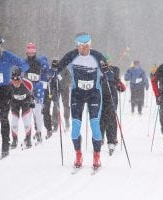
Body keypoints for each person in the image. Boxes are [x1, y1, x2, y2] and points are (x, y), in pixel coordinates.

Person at [52, 32, 109, 169]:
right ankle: (78, 154)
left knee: (95, 126)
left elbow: (107, 72)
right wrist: (54, 67)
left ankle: (96, 156)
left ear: (90, 44)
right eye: (81, 46)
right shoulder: (72, 55)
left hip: (94, 93)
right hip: (77, 93)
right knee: (75, 130)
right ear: (77, 46)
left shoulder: (97, 56)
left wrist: (107, 71)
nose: (84, 49)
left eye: (86, 46)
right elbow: (56, 69)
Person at [24, 42, 50, 142]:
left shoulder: (40, 61)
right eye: (29, 52)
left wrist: (49, 73)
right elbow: (19, 69)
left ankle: (39, 132)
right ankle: (28, 135)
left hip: (38, 89)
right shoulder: (24, 62)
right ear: (26, 52)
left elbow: (48, 70)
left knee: (38, 113)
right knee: (28, 113)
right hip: (27, 89)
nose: (31, 54)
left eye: (32, 52)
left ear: (35, 52)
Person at [100, 56, 126, 155]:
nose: (108, 63)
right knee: (101, 119)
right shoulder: (99, 71)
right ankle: (100, 137)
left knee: (111, 119)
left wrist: (118, 84)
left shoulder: (114, 71)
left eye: (109, 61)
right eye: (106, 62)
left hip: (112, 99)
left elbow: (122, 88)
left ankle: (112, 139)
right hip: (101, 98)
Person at [9, 68, 35, 149]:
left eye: (17, 81)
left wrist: (31, 102)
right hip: (15, 103)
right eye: (13, 81)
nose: (15, 83)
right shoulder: (9, 84)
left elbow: (31, 95)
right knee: (14, 122)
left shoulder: (28, 84)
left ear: (21, 79)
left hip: (25, 102)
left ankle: (28, 139)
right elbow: (7, 95)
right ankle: (14, 139)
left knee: (26, 120)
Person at [51, 59, 71, 132]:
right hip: (56, 89)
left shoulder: (64, 68)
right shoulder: (52, 70)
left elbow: (69, 79)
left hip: (64, 89)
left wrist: (63, 83)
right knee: (55, 105)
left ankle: (67, 120)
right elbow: (49, 79)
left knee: (66, 104)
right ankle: (55, 123)